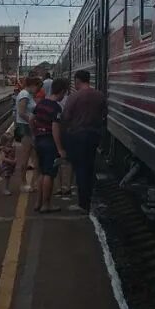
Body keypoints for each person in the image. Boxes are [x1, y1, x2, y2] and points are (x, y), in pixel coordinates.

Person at [62, 69, 107, 213]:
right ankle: (89, 198)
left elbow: (66, 117)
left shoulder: (74, 97)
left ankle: (83, 204)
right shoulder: (100, 96)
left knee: (80, 168)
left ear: (77, 80)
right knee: (89, 167)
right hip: (94, 135)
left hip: (78, 136)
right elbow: (104, 114)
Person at [32, 77, 70, 213]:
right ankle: (46, 205)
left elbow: (32, 119)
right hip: (49, 143)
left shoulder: (41, 103)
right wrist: (60, 149)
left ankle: (38, 203)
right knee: (49, 174)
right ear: (61, 92)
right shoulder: (56, 107)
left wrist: (35, 134)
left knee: (42, 173)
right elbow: (55, 129)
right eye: (64, 93)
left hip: (39, 141)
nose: (64, 96)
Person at [13, 77, 41, 192]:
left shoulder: (27, 94)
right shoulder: (24, 94)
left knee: (35, 157)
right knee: (26, 156)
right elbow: (21, 112)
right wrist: (33, 120)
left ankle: (34, 183)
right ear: (33, 85)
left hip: (28, 127)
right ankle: (23, 183)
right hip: (25, 128)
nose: (38, 90)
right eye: (38, 87)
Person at [0, 130, 18, 195]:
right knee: (6, 178)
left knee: (8, 177)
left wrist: (15, 159)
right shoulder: (3, 149)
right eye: (9, 142)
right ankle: (5, 189)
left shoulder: (11, 148)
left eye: (11, 141)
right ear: (4, 142)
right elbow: (3, 158)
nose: (11, 143)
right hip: (6, 166)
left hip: (10, 166)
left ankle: (6, 188)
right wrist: (12, 161)